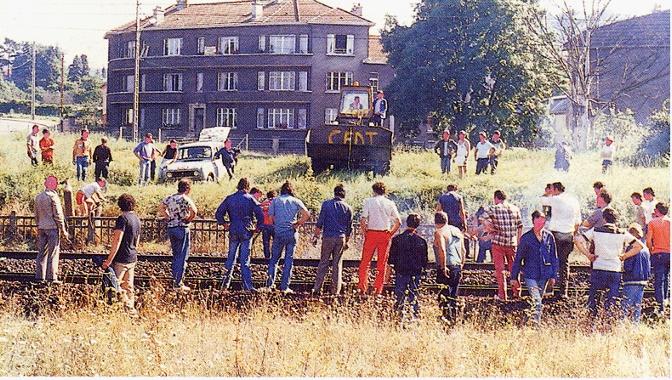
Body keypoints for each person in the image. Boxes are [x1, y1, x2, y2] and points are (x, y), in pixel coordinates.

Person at [575, 208, 642, 316]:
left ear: (604, 218)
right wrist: (624, 256)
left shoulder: (596, 230)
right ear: (616, 220)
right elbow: (639, 246)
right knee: (612, 300)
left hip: (598, 267)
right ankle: (608, 322)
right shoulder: (622, 232)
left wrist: (588, 255)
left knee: (594, 299)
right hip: (615, 269)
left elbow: (578, 240)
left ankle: (593, 321)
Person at [216, 178, 265, 291]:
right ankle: (247, 286)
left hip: (233, 229)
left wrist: (224, 224)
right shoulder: (250, 199)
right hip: (246, 231)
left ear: (238, 186)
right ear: (247, 187)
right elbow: (260, 215)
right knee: (245, 260)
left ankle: (224, 285)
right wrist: (258, 227)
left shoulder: (229, 198)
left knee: (231, 258)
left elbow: (219, 213)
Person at [511, 210, 559, 324]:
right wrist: (514, 277)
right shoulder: (526, 238)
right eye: (538, 222)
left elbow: (554, 257)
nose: (540, 225)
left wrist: (554, 275)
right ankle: (536, 325)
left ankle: (529, 321)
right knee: (537, 301)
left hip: (544, 275)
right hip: (530, 275)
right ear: (533, 222)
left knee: (537, 301)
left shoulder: (549, 236)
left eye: (543, 222)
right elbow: (518, 258)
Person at [265, 181, 310, 293]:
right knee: (288, 260)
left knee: (274, 259)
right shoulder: (296, 201)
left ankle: (269, 285)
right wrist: (298, 223)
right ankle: (285, 287)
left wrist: (277, 224)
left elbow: (270, 219)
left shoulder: (275, 201)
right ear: (291, 190)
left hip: (279, 233)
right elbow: (307, 214)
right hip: (291, 233)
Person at [358, 181, 401, 295]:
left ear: (374, 191)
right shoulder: (390, 203)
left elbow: (363, 220)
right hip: (384, 234)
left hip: (371, 233)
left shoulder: (369, 201)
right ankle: (378, 290)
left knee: (365, 262)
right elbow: (398, 222)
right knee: (382, 263)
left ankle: (362, 287)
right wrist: (390, 233)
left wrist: (365, 232)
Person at [101, 193, 140, 313]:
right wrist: (133, 251)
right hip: (132, 257)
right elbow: (137, 240)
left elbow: (117, 240)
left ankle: (127, 310)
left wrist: (109, 260)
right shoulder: (136, 219)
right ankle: (130, 311)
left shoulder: (122, 219)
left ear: (120, 205)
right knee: (128, 287)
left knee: (115, 286)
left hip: (121, 259)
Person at [311, 184, 354, 295]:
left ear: (334, 193)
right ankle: (335, 291)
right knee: (337, 264)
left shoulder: (326, 205)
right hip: (341, 238)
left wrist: (315, 236)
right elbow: (349, 228)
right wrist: (346, 241)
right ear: (344, 194)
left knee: (323, 263)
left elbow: (320, 222)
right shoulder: (348, 208)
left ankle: (317, 288)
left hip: (328, 237)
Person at [482, 190, 523, 300]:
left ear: (496, 198)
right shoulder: (515, 208)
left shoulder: (493, 208)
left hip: (498, 243)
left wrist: (492, 229)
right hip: (512, 243)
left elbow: (483, 219)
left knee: (500, 270)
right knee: (514, 269)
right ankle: (516, 292)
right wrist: (518, 241)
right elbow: (520, 226)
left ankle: (502, 295)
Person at [159, 179, 198, 291]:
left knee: (176, 255)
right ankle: (178, 283)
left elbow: (161, 207)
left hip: (171, 227)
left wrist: (168, 217)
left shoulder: (170, 198)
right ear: (187, 188)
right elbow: (194, 211)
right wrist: (188, 220)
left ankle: (175, 279)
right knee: (182, 256)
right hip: (182, 227)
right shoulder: (185, 199)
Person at [388, 214, 428, 318]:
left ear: (406, 223)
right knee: (414, 296)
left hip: (401, 272)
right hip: (415, 273)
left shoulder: (397, 239)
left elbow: (391, 260)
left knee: (400, 297)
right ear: (418, 225)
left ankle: (399, 317)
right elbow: (424, 261)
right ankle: (415, 317)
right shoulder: (422, 241)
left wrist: (387, 276)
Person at [546, 182, 581, 298]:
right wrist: (573, 233)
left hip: (555, 234)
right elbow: (577, 222)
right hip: (569, 234)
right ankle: (563, 291)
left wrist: (547, 193)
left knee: (550, 260)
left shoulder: (555, 199)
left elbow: (542, 201)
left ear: (555, 189)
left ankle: (549, 288)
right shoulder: (574, 201)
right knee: (564, 263)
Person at [34, 176, 70, 283]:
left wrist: (38, 225)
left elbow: (36, 214)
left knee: (41, 253)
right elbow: (58, 215)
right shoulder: (53, 197)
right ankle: (52, 277)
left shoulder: (38, 197)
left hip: (41, 227)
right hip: (52, 228)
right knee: (53, 252)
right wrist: (63, 230)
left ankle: (40, 276)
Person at [433, 211, 465, 321]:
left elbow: (442, 250)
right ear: (446, 220)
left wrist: (443, 266)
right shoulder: (457, 231)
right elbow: (463, 250)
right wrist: (461, 265)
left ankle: (445, 318)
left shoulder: (439, 232)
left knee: (443, 293)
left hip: (446, 265)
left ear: (435, 222)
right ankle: (453, 318)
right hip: (457, 264)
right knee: (453, 295)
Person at [620, 224, 651, 323]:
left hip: (631, 279)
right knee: (637, 306)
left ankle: (621, 325)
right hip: (642, 280)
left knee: (625, 305)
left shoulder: (632, 248)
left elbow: (628, 266)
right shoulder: (645, 248)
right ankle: (635, 325)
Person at [646, 202, 670, 315]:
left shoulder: (652, 223)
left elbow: (648, 240)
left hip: (658, 253)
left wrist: (651, 250)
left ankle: (660, 306)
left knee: (659, 280)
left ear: (657, 211)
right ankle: (666, 301)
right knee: (667, 278)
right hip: (669, 252)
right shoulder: (670, 222)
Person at [259, 190, 276, 260]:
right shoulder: (276, 203)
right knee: (276, 243)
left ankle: (267, 258)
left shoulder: (263, 203)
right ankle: (275, 257)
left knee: (266, 243)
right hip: (274, 225)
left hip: (265, 225)